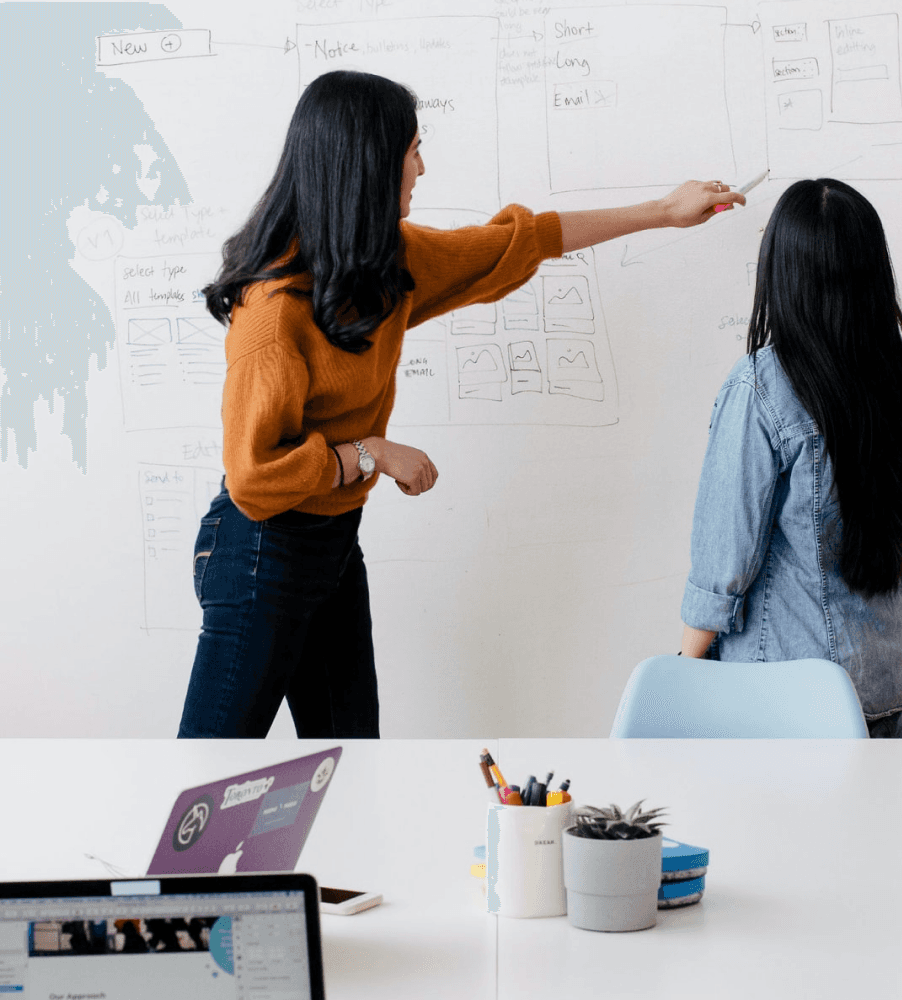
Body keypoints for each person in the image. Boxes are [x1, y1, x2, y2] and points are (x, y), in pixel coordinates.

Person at [177, 69, 744, 738]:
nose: (421, 166)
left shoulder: (382, 265)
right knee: (211, 779)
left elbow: (519, 242)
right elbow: (252, 479)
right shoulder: (272, 316)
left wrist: (662, 211)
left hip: (330, 546)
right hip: (257, 553)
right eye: (410, 150)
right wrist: (370, 454)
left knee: (352, 766)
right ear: (367, 164)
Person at [679, 178, 902, 738]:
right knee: (871, 828)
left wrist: (683, 670)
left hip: (784, 695)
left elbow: (724, 561)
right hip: (881, 685)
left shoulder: (762, 387)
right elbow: (898, 529)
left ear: (783, 270)